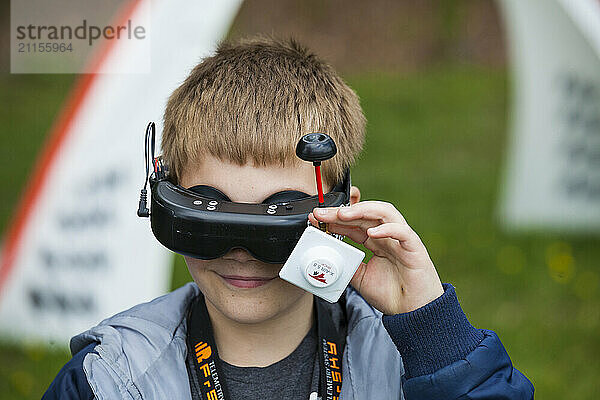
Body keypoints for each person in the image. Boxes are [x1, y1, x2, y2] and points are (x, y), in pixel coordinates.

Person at [43, 36, 534, 400]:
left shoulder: (407, 363)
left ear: (344, 215)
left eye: (280, 217)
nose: (241, 251)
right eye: (212, 212)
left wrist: (432, 330)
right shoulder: (113, 379)